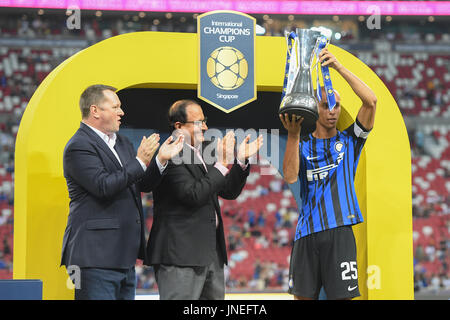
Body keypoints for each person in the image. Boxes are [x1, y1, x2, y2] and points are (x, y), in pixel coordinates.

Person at [60, 84, 183, 300]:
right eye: (115, 106)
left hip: (123, 255)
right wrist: (139, 161)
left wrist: (160, 160)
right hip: (94, 257)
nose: (122, 112)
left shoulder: (122, 142)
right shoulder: (78, 146)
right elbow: (103, 186)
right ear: (95, 110)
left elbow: (141, 183)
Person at [280, 47, 377, 300]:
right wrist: (292, 135)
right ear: (316, 108)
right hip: (307, 233)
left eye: (336, 105)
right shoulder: (301, 145)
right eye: (326, 105)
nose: (333, 111)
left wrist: (339, 68)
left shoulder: (350, 141)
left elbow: (371, 101)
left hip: (341, 232)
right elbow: (290, 176)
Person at [145, 99, 263, 300]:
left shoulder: (206, 151)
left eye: (205, 121)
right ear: (179, 127)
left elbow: (228, 191)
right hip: (180, 256)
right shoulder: (170, 154)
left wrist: (241, 161)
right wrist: (222, 164)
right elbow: (193, 195)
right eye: (199, 122)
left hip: (210, 254)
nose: (206, 127)